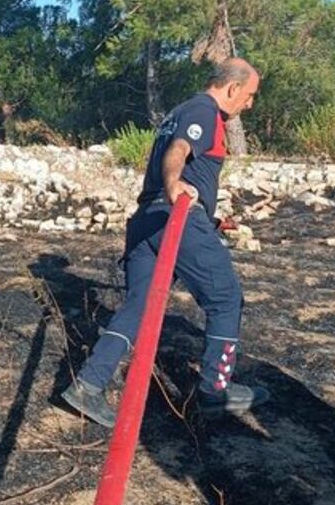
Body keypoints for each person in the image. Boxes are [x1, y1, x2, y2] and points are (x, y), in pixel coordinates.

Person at [61, 57, 268, 427]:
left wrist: (213, 219)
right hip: (176, 219)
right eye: (250, 95)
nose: (250, 104)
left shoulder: (181, 110)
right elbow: (178, 152)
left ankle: (88, 385)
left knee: (139, 306)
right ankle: (213, 391)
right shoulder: (204, 111)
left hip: (147, 222)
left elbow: (180, 160)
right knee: (226, 299)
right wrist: (175, 188)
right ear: (233, 88)